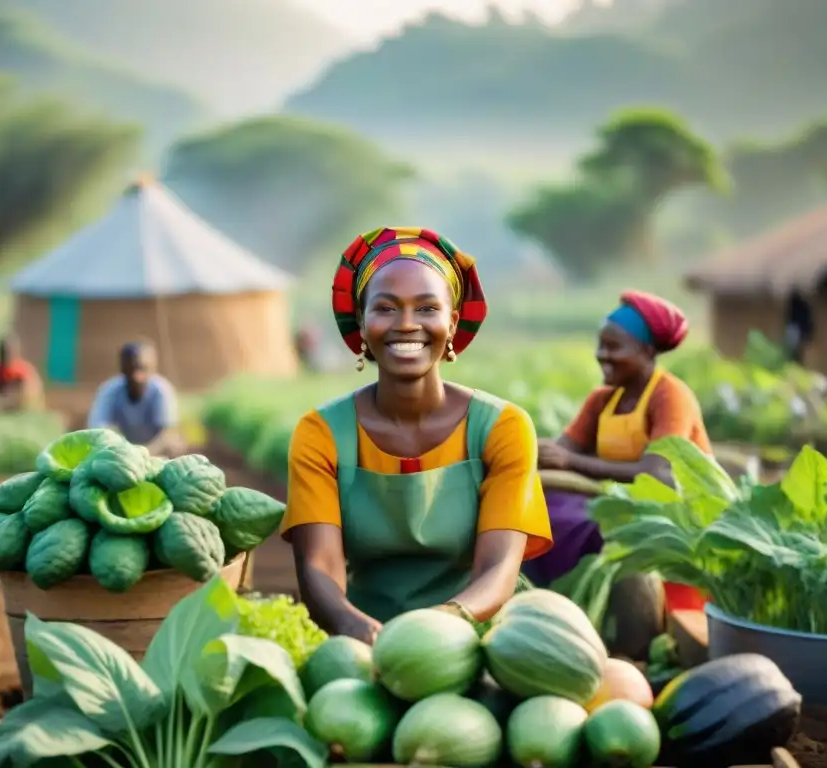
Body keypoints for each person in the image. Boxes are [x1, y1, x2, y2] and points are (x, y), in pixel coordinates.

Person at [281, 227, 553, 644]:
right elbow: (319, 568)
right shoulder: (322, 434)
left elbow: (498, 571)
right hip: (359, 635)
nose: (407, 325)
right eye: (386, 309)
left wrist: (440, 626)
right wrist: (352, 625)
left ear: (452, 322)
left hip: (482, 634)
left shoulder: (502, 428)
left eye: (427, 309)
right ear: (362, 321)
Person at [529, 290, 710, 609]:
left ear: (647, 350)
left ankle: (589, 608)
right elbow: (560, 453)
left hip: (675, 515)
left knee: (588, 526)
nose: (602, 355)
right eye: (601, 345)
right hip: (617, 503)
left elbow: (658, 476)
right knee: (539, 509)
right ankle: (545, 603)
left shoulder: (670, 396)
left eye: (614, 347)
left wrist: (572, 461)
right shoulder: (602, 400)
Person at [87, 340, 185, 457]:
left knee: (174, 444)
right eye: (131, 369)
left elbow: (167, 433)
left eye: (143, 369)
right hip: (124, 453)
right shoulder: (110, 390)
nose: (136, 376)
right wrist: (123, 452)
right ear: (122, 369)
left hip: (155, 451)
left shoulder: (162, 390)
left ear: (153, 368)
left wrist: (141, 456)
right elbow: (99, 428)